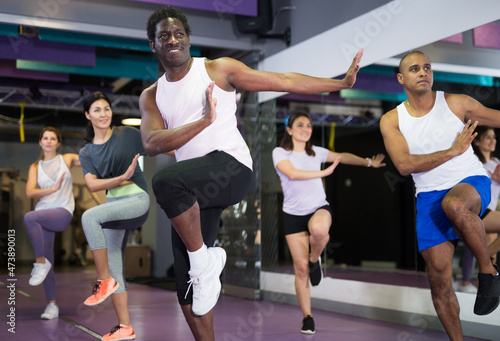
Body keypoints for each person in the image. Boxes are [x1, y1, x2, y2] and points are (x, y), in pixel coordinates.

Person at [139, 5, 363, 340]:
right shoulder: (152, 95)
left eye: (178, 33)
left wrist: (339, 82)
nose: (172, 39)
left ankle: (204, 260)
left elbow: (284, 80)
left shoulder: (217, 70)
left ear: (188, 39)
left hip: (231, 168)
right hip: (194, 186)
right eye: (163, 36)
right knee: (187, 285)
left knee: (164, 181)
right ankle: (203, 270)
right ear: (153, 46)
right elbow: (152, 143)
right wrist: (202, 122)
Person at [379, 51, 500, 341]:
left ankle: (488, 273)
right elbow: (405, 166)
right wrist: (451, 150)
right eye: (414, 68)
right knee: (438, 280)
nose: (423, 72)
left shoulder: (456, 103)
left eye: (427, 67)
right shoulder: (391, 120)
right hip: (429, 196)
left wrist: (458, 155)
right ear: (401, 78)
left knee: (455, 204)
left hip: (470, 182)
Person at [272, 112, 385, 334]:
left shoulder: (317, 153)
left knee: (319, 230)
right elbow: (292, 174)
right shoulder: (280, 152)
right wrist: (324, 172)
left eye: (309, 125)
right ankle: (307, 317)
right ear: (290, 130)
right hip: (293, 215)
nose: (306, 129)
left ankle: (315, 259)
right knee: (301, 269)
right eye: (300, 125)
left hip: (318, 208)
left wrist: (368, 162)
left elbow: (342, 155)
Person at [79, 92, 149, 341]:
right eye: (97, 110)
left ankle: (102, 280)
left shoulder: (126, 134)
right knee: (115, 265)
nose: (103, 114)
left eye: (106, 109)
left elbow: (157, 145)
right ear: (88, 115)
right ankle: (125, 327)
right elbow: (92, 185)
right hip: (113, 203)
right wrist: (120, 179)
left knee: (89, 217)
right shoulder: (86, 152)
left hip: (137, 199)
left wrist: (187, 149)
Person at [24, 126, 80, 320]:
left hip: (62, 211)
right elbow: (30, 192)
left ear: (58, 143)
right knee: (49, 261)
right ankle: (52, 306)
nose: (48, 141)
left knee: (29, 217)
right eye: (45, 138)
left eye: (53, 138)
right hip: (43, 214)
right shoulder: (34, 167)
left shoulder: (66, 159)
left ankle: (39, 263)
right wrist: (53, 188)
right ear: (40, 142)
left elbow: (92, 159)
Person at [456, 126, 500, 294]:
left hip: (491, 211)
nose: (492, 141)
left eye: (494, 137)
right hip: (477, 210)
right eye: (488, 137)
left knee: (491, 252)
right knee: (474, 247)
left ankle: (485, 289)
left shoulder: (497, 163)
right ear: (478, 140)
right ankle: (465, 282)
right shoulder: (474, 161)